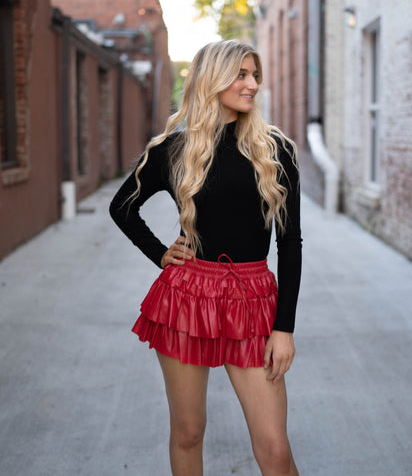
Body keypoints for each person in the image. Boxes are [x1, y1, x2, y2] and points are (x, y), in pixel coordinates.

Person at [109, 39, 302, 476]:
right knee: (188, 432)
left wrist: (284, 328)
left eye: (255, 75)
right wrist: (160, 254)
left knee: (274, 449)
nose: (253, 84)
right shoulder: (175, 150)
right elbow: (121, 207)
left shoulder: (276, 151)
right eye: (242, 74)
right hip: (187, 297)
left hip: (252, 300)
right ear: (212, 80)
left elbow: (290, 244)